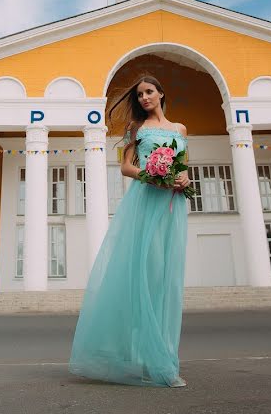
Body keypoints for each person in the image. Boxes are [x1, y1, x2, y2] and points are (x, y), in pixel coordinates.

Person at [68, 75, 190, 388]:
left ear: (161, 93)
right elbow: (125, 167)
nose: (145, 98)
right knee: (146, 273)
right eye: (139, 95)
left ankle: (160, 356)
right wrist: (149, 174)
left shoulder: (180, 129)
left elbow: (184, 165)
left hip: (173, 206)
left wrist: (184, 179)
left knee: (167, 279)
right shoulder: (138, 129)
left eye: (149, 92)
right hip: (146, 200)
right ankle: (142, 356)